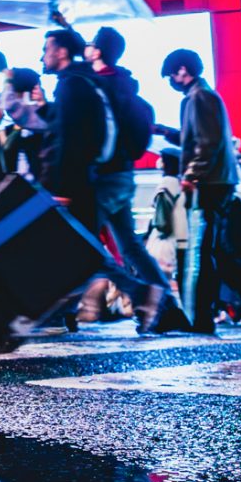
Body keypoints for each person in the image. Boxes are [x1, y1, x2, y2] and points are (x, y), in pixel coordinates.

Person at [161, 47, 241, 334]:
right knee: (215, 255)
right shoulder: (200, 97)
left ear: (183, 70)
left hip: (211, 183)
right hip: (216, 181)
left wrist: (192, 174)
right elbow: (200, 138)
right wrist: (167, 132)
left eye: (170, 75)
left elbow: (208, 142)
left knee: (206, 254)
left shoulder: (201, 97)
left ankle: (205, 319)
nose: (170, 81)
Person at [88, 26, 171, 291]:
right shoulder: (122, 83)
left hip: (104, 174)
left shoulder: (101, 85)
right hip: (122, 171)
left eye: (91, 44)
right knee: (129, 245)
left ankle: (136, 295)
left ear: (98, 51)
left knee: (80, 239)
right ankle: (165, 302)